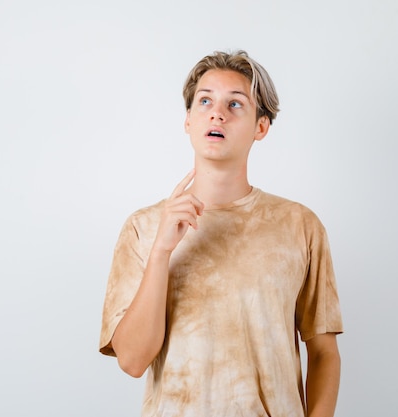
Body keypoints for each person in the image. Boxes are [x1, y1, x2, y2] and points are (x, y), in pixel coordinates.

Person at [99, 50, 343, 417]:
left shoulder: (299, 226)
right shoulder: (144, 227)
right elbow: (132, 361)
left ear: (261, 127)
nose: (217, 113)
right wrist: (162, 251)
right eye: (206, 101)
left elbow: (323, 351)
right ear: (188, 120)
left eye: (235, 104)